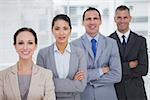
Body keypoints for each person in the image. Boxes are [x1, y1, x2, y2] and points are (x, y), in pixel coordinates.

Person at [71, 7, 122, 100]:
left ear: (100, 21)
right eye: (88, 19)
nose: (92, 22)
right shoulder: (74, 45)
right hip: (84, 96)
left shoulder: (111, 43)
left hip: (107, 96)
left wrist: (88, 78)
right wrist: (100, 71)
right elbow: (74, 76)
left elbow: (117, 75)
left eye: (95, 18)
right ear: (83, 22)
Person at [36, 14, 87, 100]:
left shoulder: (79, 53)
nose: (61, 33)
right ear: (52, 30)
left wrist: (52, 82)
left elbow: (81, 86)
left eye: (65, 28)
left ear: (70, 30)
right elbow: (41, 84)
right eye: (57, 29)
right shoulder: (43, 54)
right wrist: (73, 82)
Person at [0, 27, 56, 100]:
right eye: (21, 43)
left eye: (30, 43)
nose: (25, 47)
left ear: (35, 46)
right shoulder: (3, 76)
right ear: (15, 46)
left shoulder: (46, 75)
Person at [109, 5, 148, 100]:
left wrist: (119, 68)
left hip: (137, 93)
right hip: (116, 92)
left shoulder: (140, 41)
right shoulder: (108, 41)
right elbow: (109, 71)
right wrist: (129, 65)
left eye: (125, 17)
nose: (122, 21)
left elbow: (143, 69)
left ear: (130, 18)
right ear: (115, 19)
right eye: (119, 18)